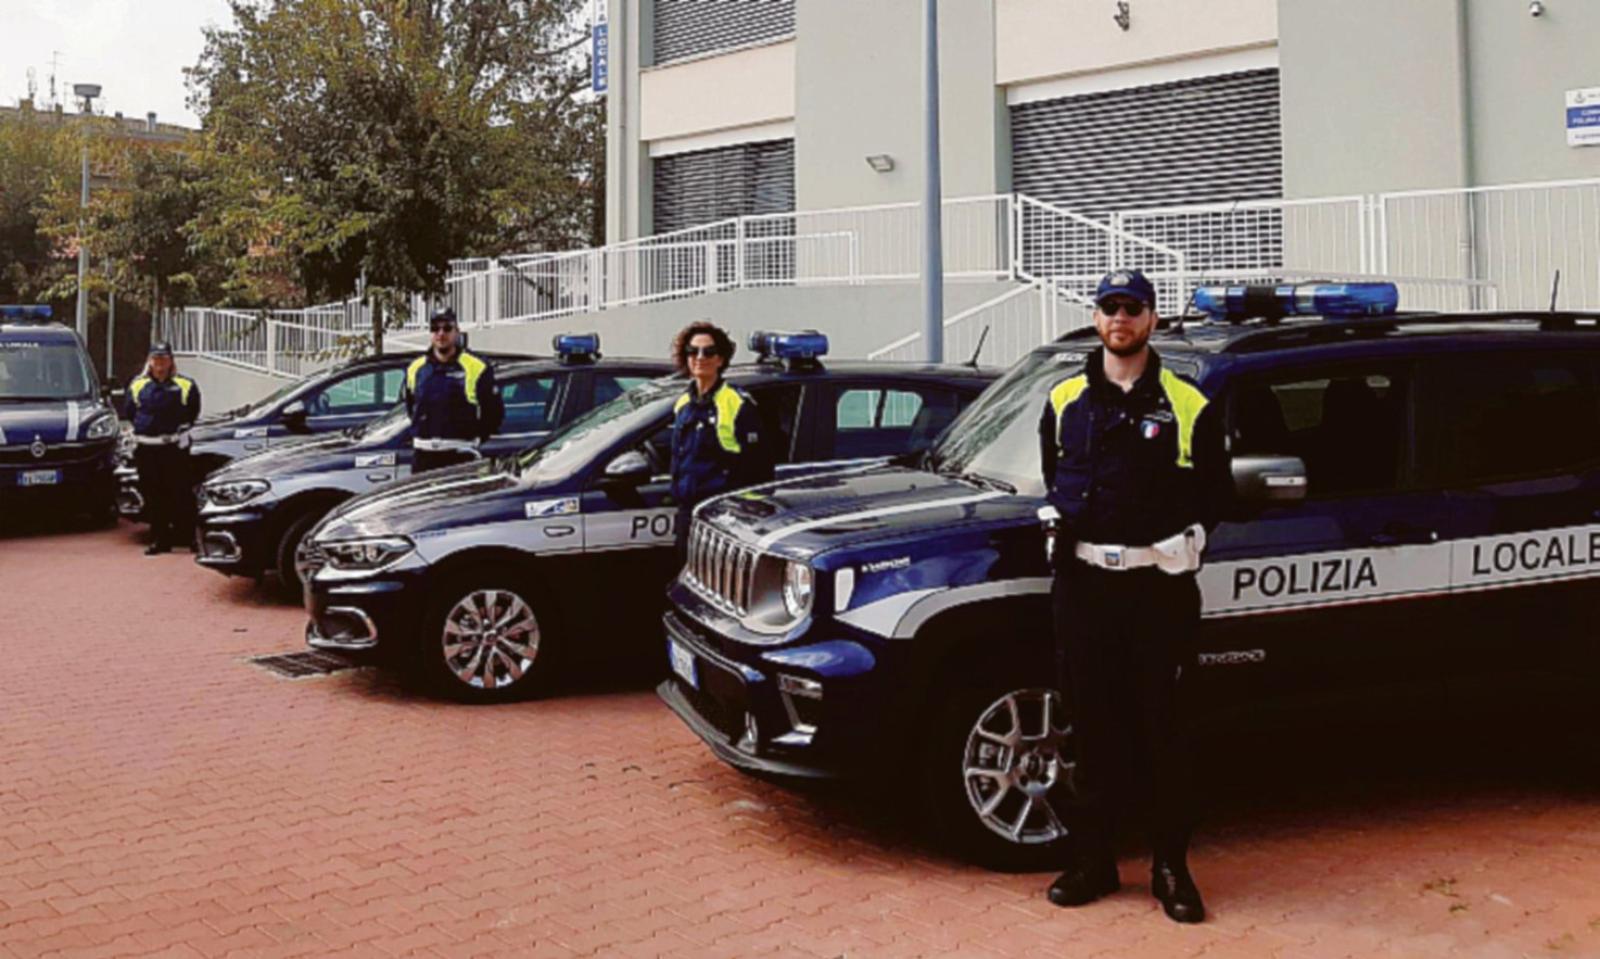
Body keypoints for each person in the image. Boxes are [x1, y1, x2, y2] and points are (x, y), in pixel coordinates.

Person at [1036, 269, 1231, 924]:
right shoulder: (1064, 398)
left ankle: (1171, 866)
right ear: (1096, 318)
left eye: (1132, 307)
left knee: (1164, 730)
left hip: (1158, 591)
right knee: (1091, 727)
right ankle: (1094, 860)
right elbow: (1053, 475)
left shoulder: (1187, 402)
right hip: (1085, 588)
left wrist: (1191, 536)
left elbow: (1214, 492)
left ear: (1150, 319)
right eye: (1109, 306)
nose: (1120, 317)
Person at [669, 321, 772, 558]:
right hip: (688, 515)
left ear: (720, 359)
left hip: (722, 518)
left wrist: (746, 519)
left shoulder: (736, 404)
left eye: (709, 351)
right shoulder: (683, 404)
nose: (700, 357)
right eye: (692, 351)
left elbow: (760, 469)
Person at [403, 308, 504, 473]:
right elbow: (410, 407)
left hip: (460, 456)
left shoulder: (477, 367)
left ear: (457, 332)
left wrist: (474, 437)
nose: (441, 334)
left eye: (447, 328)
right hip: (423, 458)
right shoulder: (415, 368)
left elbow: (494, 414)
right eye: (435, 328)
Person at [128, 342, 201, 555]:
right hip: (147, 449)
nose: (160, 364)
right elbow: (131, 412)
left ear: (171, 361)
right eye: (156, 359)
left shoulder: (185, 384)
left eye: (164, 359)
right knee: (153, 496)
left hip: (173, 449)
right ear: (150, 361)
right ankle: (160, 540)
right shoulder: (138, 385)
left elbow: (192, 413)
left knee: (181, 495)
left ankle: (189, 539)